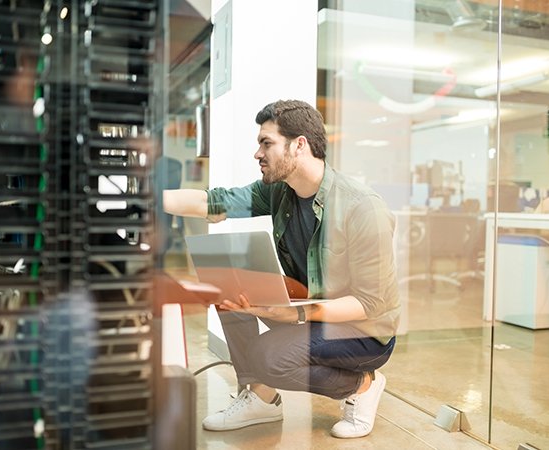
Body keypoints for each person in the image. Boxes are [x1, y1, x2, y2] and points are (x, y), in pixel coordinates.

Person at [163, 99, 400, 439]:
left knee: (268, 356)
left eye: (266, 143)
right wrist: (146, 199)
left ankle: (362, 384)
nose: (257, 153)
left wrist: (297, 316)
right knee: (229, 287)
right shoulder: (279, 192)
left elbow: (370, 304)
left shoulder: (363, 208)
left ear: (299, 145)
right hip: (311, 307)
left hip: (363, 331)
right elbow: (211, 202)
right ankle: (262, 398)